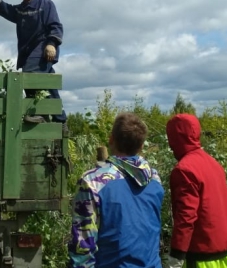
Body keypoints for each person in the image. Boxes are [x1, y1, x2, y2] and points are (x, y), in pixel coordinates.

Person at [68, 112, 164, 268]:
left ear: (111, 139)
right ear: (141, 146)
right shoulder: (155, 179)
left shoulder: (93, 182)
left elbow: (83, 246)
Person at [0, 0, 66, 123]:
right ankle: (60, 120)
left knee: (29, 74)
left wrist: (52, 43)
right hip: (28, 52)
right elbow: (3, 8)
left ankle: (37, 112)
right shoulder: (20, 11)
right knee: (48, 84)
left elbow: (55, 25)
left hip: (44, 48)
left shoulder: (45, 3)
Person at [166, 114, 227, 268]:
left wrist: (177, 254)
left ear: (174, 138)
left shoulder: (184, 170)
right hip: (225, 253)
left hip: (201, 255)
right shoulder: (214, 163)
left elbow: (186, 215)